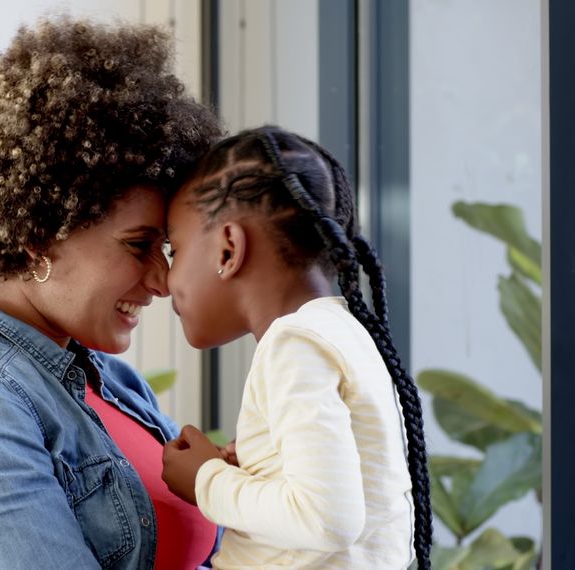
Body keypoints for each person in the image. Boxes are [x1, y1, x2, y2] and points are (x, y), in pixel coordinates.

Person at [0, 16, 224, 569]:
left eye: (164, 249)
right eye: (139, 245)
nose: (161, 281)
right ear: (36, 235)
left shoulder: (104, 376)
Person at [160, 126, 432, 569]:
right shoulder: (346, 334)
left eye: (174, 250)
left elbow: (328, 520)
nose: (163, 281)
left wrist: (205, 481)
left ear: (228, 249)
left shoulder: (293, 344)